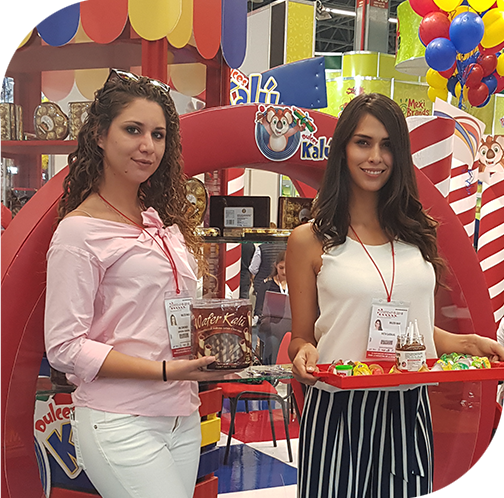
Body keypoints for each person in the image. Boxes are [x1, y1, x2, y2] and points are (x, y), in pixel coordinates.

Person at [286, 93, 504, 498]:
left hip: (409, 404)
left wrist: (467, 344)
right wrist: (302, 352)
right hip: (339, 408)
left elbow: (413, 329)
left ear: (400, 154)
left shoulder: (418, 235)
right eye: (363, 142)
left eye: (387, 145)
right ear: (343, 149)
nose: (375, 157)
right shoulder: (309, 241)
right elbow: (302, 337)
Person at [44, 69, 222, 498]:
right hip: (120, 419)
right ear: (100, 136)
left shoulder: (162, 224)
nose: (148, 145)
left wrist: (219, 341)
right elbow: (64, 346)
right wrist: (163, 371)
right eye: (133, 130)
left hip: (182, 416)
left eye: (158, 135)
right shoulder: (79, 232)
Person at [259, 251, 290, 364]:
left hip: (292, 327)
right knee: (273, 342)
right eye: (281, 268)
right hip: (271, 328)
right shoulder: (267, 285)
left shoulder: (297, 285)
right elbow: (258, 308)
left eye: (287, 268)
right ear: (276, 266)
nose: (284, 272)